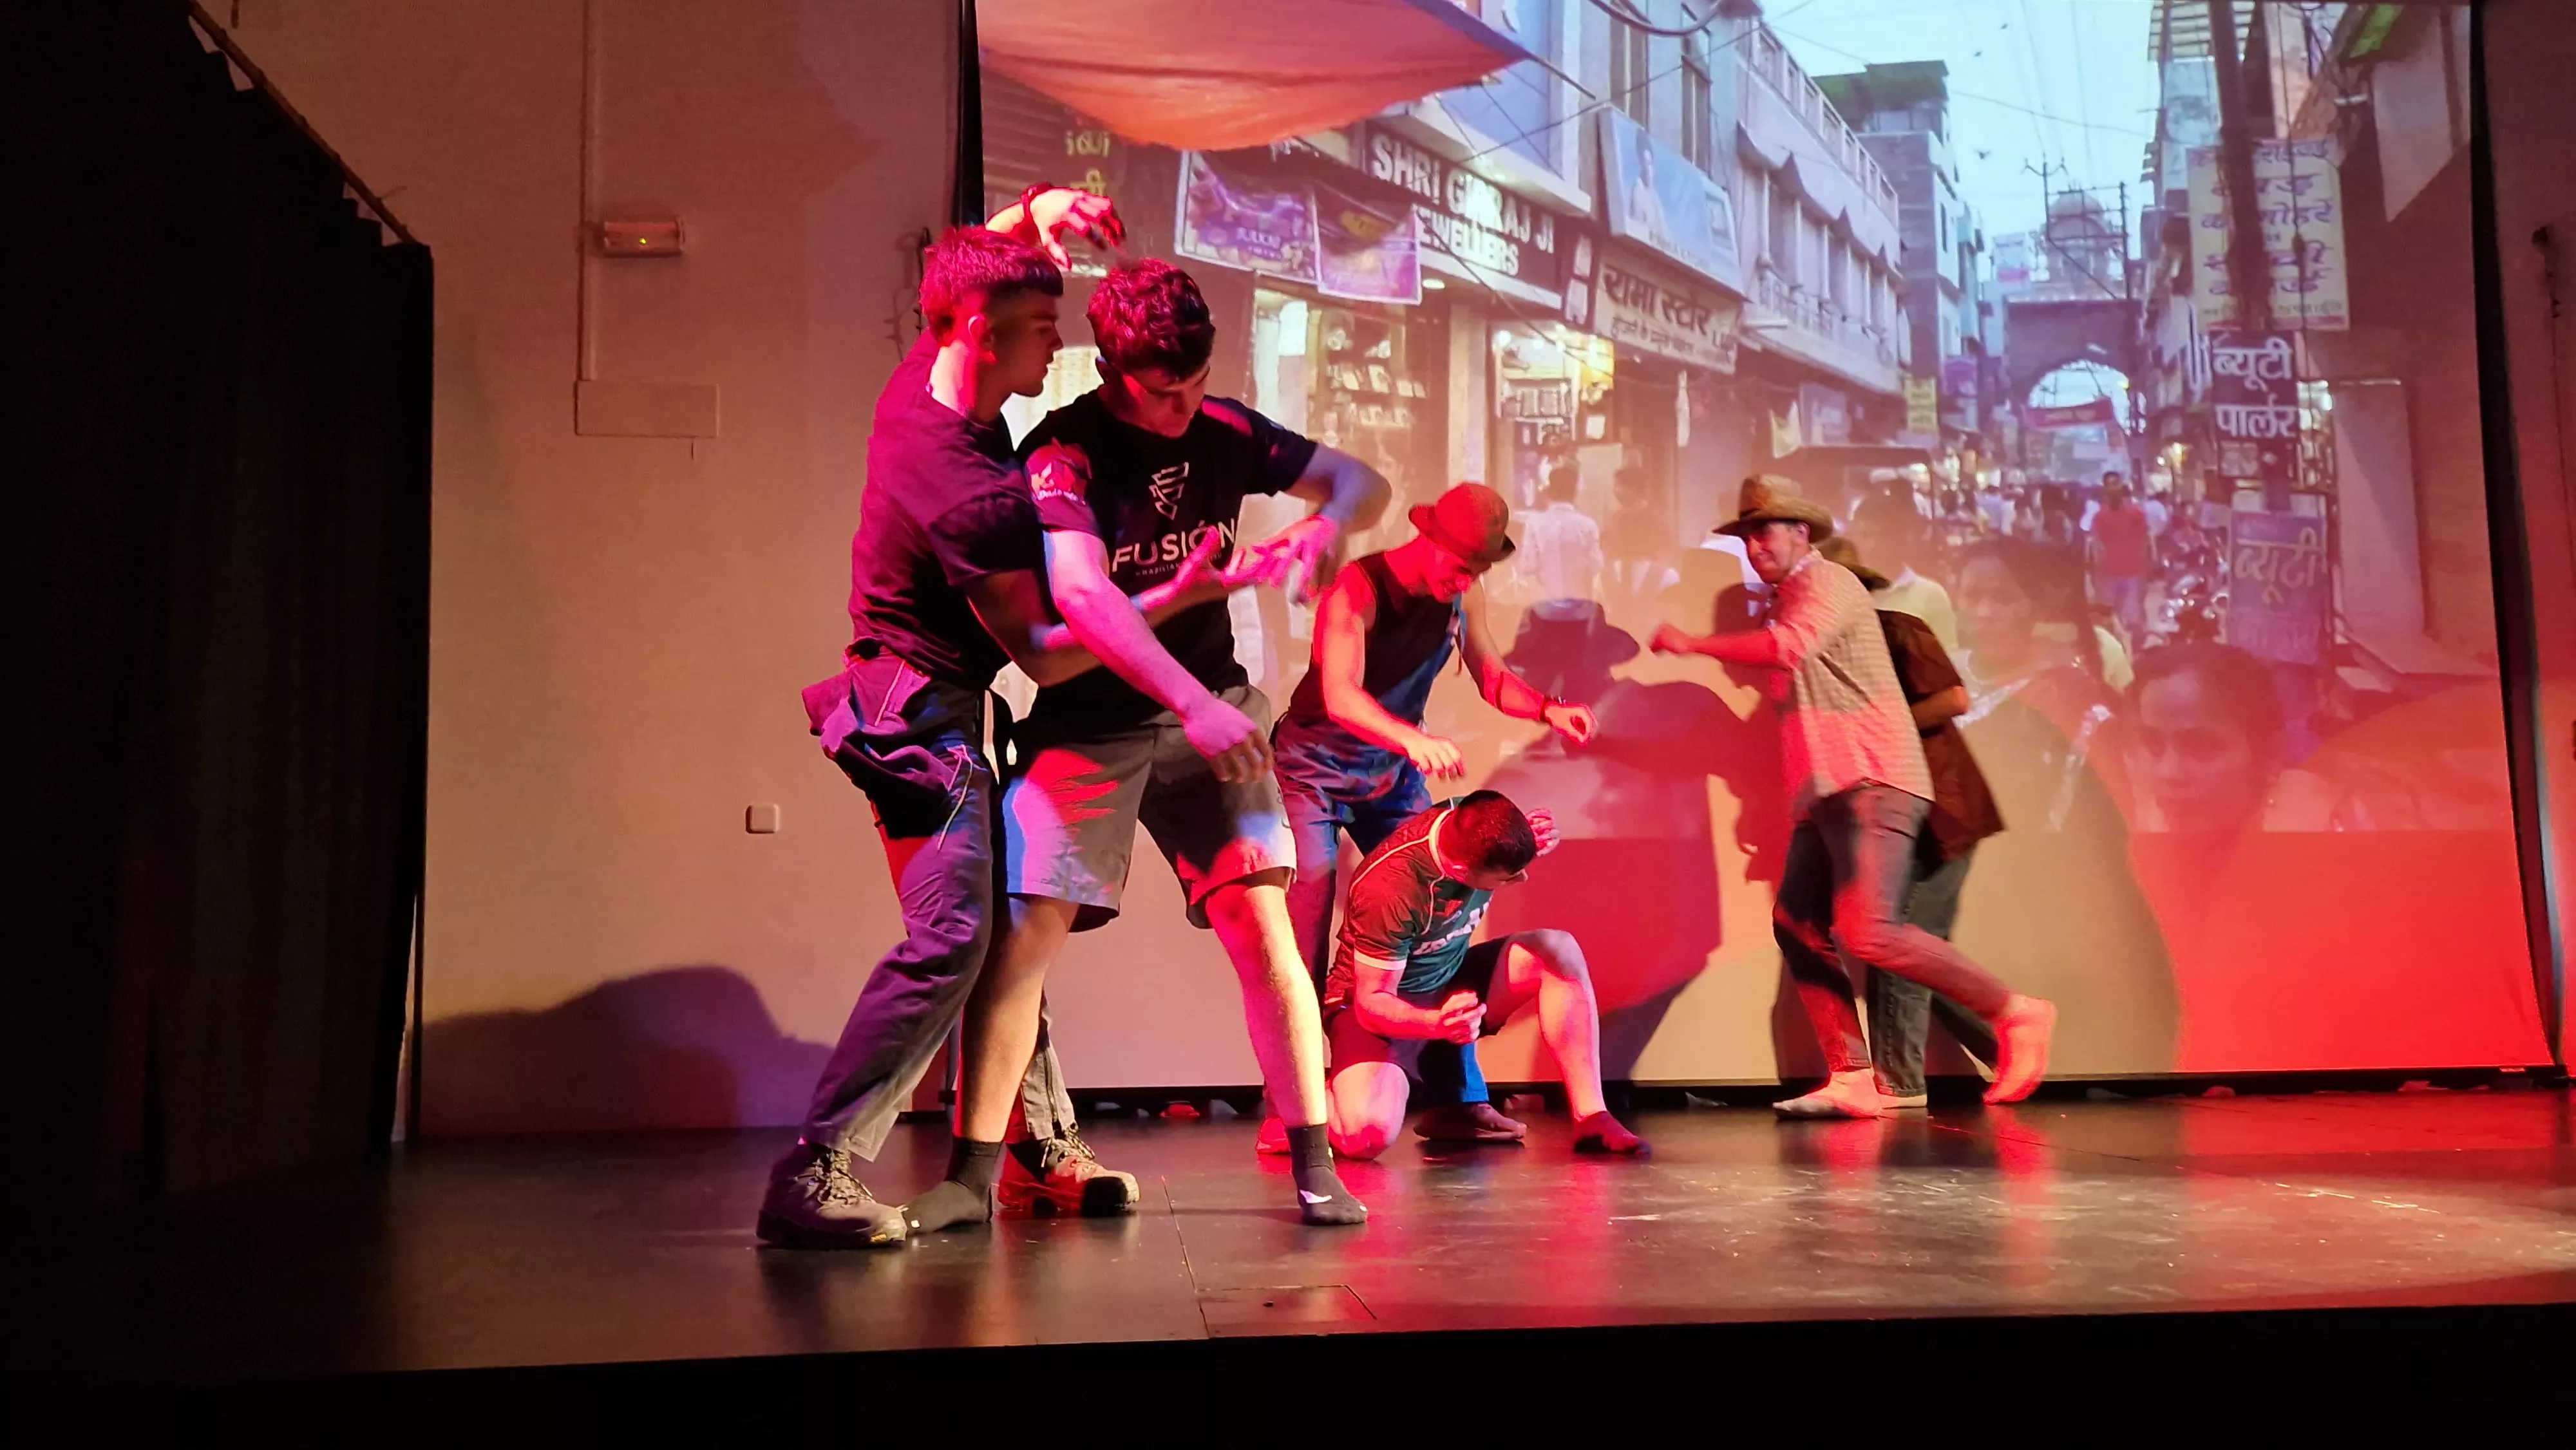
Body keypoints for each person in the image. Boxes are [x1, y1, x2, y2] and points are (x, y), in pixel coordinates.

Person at [760, 199, 1227, 1249]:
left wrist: (1035, 218)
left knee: (1000, 936)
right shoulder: (967, 488)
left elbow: (959, 265)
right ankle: (815, 1169)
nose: (1058, 341)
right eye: (1038, 324)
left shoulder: (921, 389)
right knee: (960, 938)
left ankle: (1038, 1148)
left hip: (918, 700)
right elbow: (1052, 651)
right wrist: (1180, 594)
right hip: (917, 718)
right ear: (977, 331)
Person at [911, 258, 1392, 1233]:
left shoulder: (1227, 428)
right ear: (1115, 369)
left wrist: (1324, 526)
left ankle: (1312, 1163)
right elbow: (1083, 598)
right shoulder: (1063, 454)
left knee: (1264, 922)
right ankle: (972, 1171)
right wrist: (1194, 704)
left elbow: (1360, 479)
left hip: (1210, 706)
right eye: (1161, 393)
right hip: (1096, 722)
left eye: (1195, 386)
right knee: (1027, 933)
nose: (1181, 410)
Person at [1649, 476, 2056, 1119]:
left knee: (1872, 932)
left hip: (1873, 781)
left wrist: (1693, 642)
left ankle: (2017, 1012)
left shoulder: (1825, 583)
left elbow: (1789, 649)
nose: (1756, 545)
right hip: (1830, 792)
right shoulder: (1788, 602)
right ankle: (1853, 1073)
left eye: (1767, 530)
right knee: (1798, 922)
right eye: (1748, 534)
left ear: (1800, 533)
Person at [1259, 484, 1600, 1153]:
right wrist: (1411, 739)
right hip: (1313, 770)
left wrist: (1545, 708)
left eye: (1476, 568)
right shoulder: (1358, 589)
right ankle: (1289, 1106)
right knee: (1301, 938)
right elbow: (1339, 693)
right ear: (1428, 538)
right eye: (1458, 563)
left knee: (1443, 918)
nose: (1464, 578)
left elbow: (1492, 676)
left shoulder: (1459, 592)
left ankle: (1456, 1100)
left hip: (1387, 771)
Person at [1320, 791, 1646, 1157]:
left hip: (1447, 985)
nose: (1519, 880)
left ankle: (1592, 1117)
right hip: (1373, 1008)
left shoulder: (1469, 825)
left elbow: (1493, 836)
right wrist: (1436, 1023)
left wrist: (1525, 840)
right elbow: (1372, 1002)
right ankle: (1313, 1103)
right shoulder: (1389, 890)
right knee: (1367, 1134)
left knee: (1558, 949)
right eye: (1507, 878)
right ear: (1461, 872)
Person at [1815, 538, 2003, 1108]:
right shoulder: (1830, 653)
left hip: (1938, 814)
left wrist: (1878, 730)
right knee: (1904, 947)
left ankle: (1899, 1081)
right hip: (1890, 817)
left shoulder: (1896, 630)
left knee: (1897, 944)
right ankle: (2009, 1042)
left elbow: (1952, 697)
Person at [1844, 489, 1959, 650]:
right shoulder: (1842, 592)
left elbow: (1947, 660)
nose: (1872, 545)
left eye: (1883, 536)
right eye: (1864, 535)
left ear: (1900, 536)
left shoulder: (1930, 595)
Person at [1514, 462, 1603, 619]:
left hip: (1544, 609)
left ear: (1550, 491)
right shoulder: (1589, 525)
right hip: (1580, 610)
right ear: (1575, 492)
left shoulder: (1535, 524)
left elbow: (1528, 567)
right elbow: (1595, 568)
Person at [2087, 473, 2153, 647]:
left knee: (2125, 615)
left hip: (2124, 571)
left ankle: (2131, 648)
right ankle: (2125, 648)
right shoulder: (2103, 517)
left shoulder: (2133, 514)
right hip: (2119, 572)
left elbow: (2145, 541)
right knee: (2120, 616)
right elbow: (2096, 545)